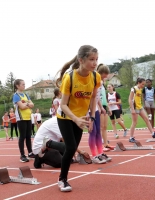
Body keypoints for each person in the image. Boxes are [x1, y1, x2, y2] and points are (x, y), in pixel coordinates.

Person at [55, 45, 101, 192]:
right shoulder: (69, 77)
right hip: (66, 116)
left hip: (81, 117)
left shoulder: (95, 76)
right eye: (91, 59)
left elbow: (93, 98)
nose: (95, 63)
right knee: (70, 147)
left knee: (74, 148)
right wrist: (75, 118)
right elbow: (62, 105)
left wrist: (92, 118)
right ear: (81, 60)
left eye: (96, 59)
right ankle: (62, 180)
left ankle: (63, 177)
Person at [128, 78, 155, 143]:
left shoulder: (140, 89)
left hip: (140, 107)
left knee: (147, 119)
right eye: (142, 84)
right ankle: (131, 137)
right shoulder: (133, 89)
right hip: (135, 108)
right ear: (138, 83)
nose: (143, 86)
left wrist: (142, 105)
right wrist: (132, 109)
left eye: (144, 84)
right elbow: (130, 99)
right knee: (134, 123)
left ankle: (153, 133)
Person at [12, 79, 35, 162]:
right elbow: (21, 107)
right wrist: (27, 104)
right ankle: (22, 155)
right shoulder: (16, 95)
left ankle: (30, 152)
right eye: (23, 84)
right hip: (21, 118)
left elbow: (32, 104)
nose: (24, 86)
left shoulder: (25, 94)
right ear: (17, 86)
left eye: (24, 84)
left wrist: (26, 104)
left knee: (28, 136)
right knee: (22, 137)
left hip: (28, 117)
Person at [97, 64, 114, 151]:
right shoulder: (97, 81)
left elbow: (104, 96)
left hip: (103, 105)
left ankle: (106, 144)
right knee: (100, 126)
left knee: (105, 126)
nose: (107, 76)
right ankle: (100, 145)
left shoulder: (102, 83)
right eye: (105, 74)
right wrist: (99, 107)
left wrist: (108, 107)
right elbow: (96, 96)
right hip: (98, 106)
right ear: (101, 73)